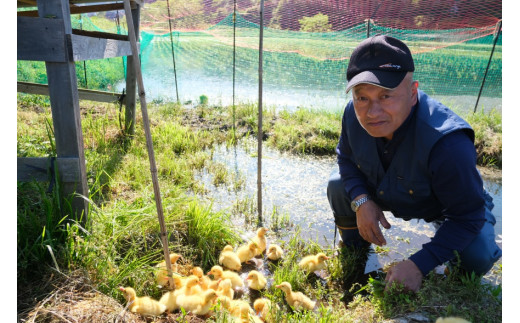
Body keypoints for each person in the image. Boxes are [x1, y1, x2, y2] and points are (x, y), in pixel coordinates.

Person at [327, 34, 502, 292]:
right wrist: (362, 200)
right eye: (362, 97)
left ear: (412, 92)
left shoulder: (449, 143)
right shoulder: (353, 114)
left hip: (441, 204)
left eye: (386, 96)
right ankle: (357, 248)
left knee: (478, 255)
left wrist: (420, 263)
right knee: (339, 185)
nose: (372, 112)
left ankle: (449, 271)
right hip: (386, 187)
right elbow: (346, 157)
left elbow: (467, 216)